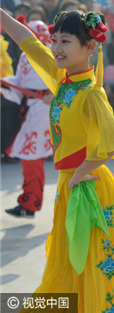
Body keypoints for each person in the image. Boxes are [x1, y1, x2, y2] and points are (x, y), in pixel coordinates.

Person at [0, 8, 114, 311]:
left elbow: (111, 145)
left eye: (66, 42)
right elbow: (27, 41)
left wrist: (77, 176)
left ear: (90, 47)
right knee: (69, 261)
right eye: (55, 40)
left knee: (96, 262)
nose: (57, 48)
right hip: (70, 183)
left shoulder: (91, 93)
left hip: (88, 185)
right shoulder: (61, 79)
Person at [3, 20, 54, 218]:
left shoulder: (50, 53)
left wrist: (55, 94)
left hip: (45, 112)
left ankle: (30, 203)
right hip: (33, 109)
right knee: (31, 159)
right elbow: (21, 85)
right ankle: (29, 203)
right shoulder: (26, 56)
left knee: (33, 158)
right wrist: (6, 84)